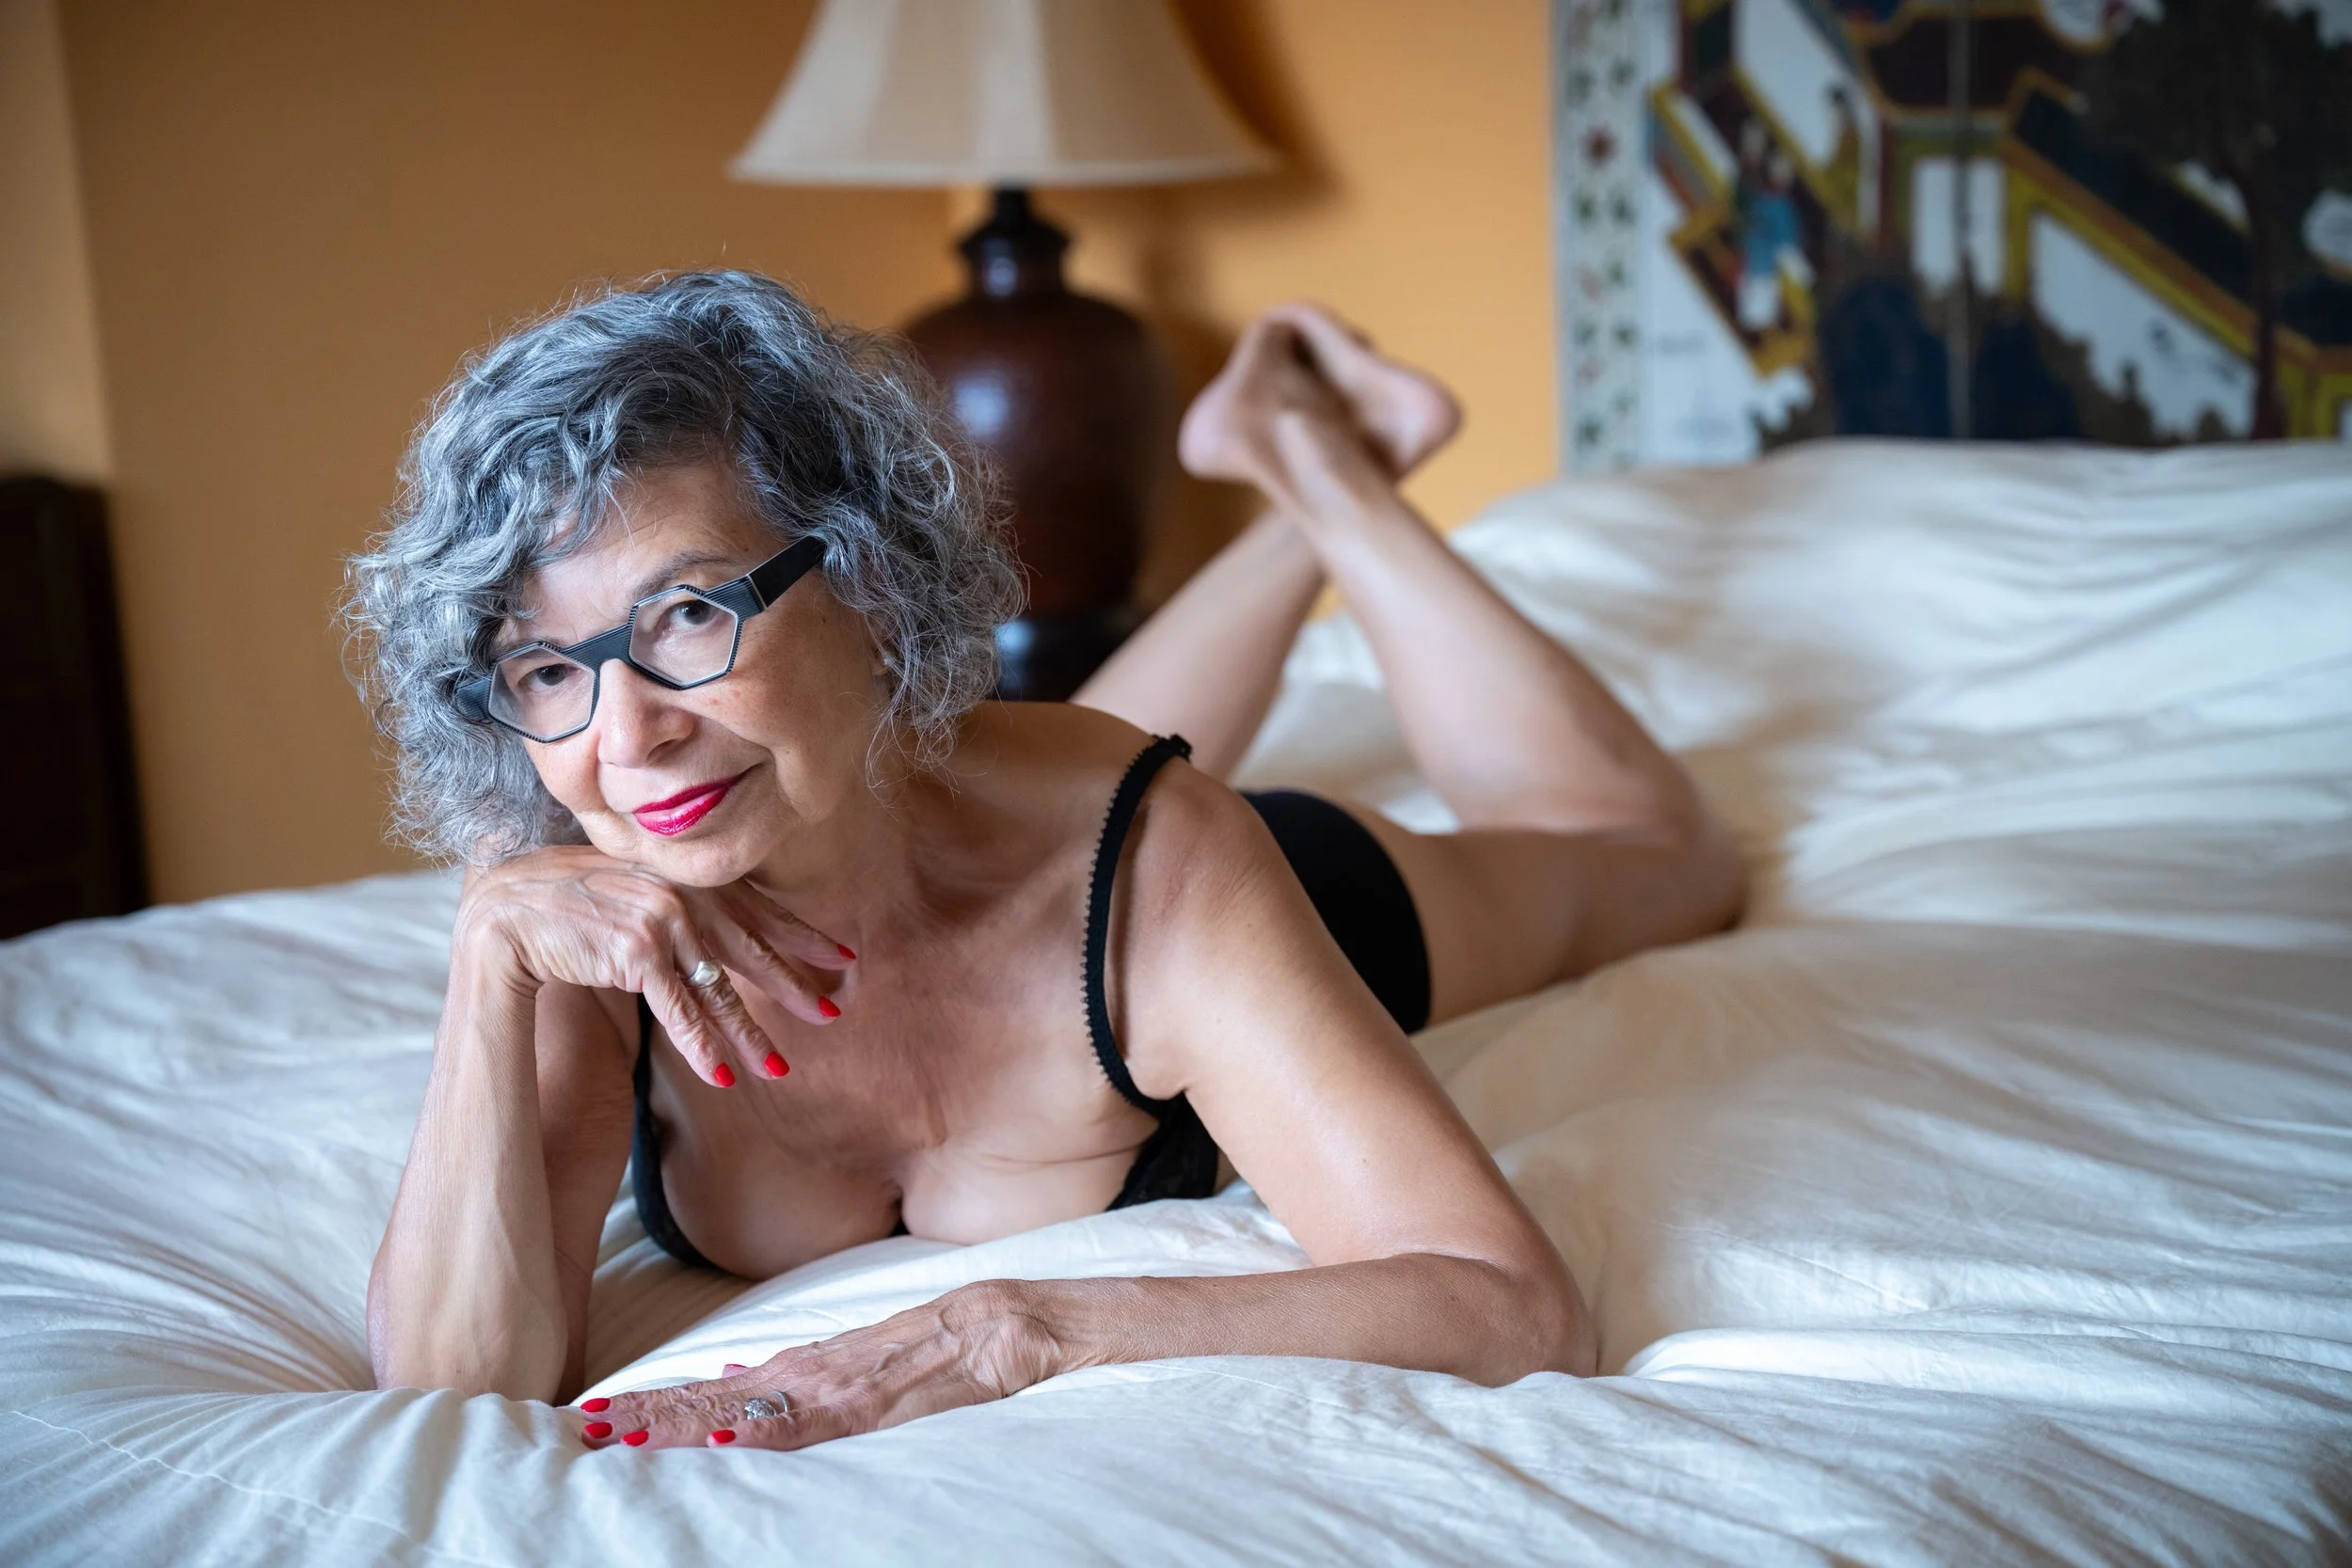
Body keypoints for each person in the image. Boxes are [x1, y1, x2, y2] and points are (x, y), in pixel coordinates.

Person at [350, 271, 1744, 1453]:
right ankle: (1288, 465)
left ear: (873, 582)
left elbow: (1513, 1304)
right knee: (983, 761)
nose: (630, 735)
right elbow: (453, 1390)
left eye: (692, 613)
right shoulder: (584, 911)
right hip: (972, 800)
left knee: (1666, 861)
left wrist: (1009, 1329)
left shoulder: (1157, 861)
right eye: (547, 668)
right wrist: (485, 960)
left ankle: (1330, 473)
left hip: (1232, 895)